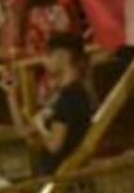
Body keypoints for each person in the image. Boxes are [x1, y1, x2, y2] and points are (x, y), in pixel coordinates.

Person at [25, 33, 93, 177]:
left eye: (49, 54)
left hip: (64, 178)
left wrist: (40, 126)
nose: (44, 60)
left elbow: (55, 145)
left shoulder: (70, 97)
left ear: (64, 56)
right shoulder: (68, 94)